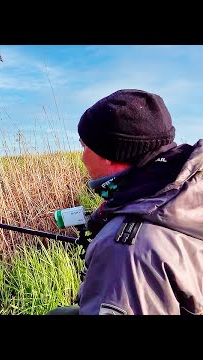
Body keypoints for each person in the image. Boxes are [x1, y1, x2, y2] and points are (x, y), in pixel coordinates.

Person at [47, 88, 203, 315]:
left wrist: (112, 231)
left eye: (84, 146)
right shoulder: (190, 188)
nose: (82, 157)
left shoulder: (122, 249)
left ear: (108, 155)